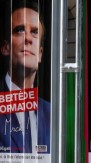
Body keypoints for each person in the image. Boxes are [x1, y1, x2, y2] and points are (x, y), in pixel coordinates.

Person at [0, 0, 50, 154]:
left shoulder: (51, 113)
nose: (28, 38)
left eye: (34, 32)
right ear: (6, 47)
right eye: (20, 30)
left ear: (40, 54)